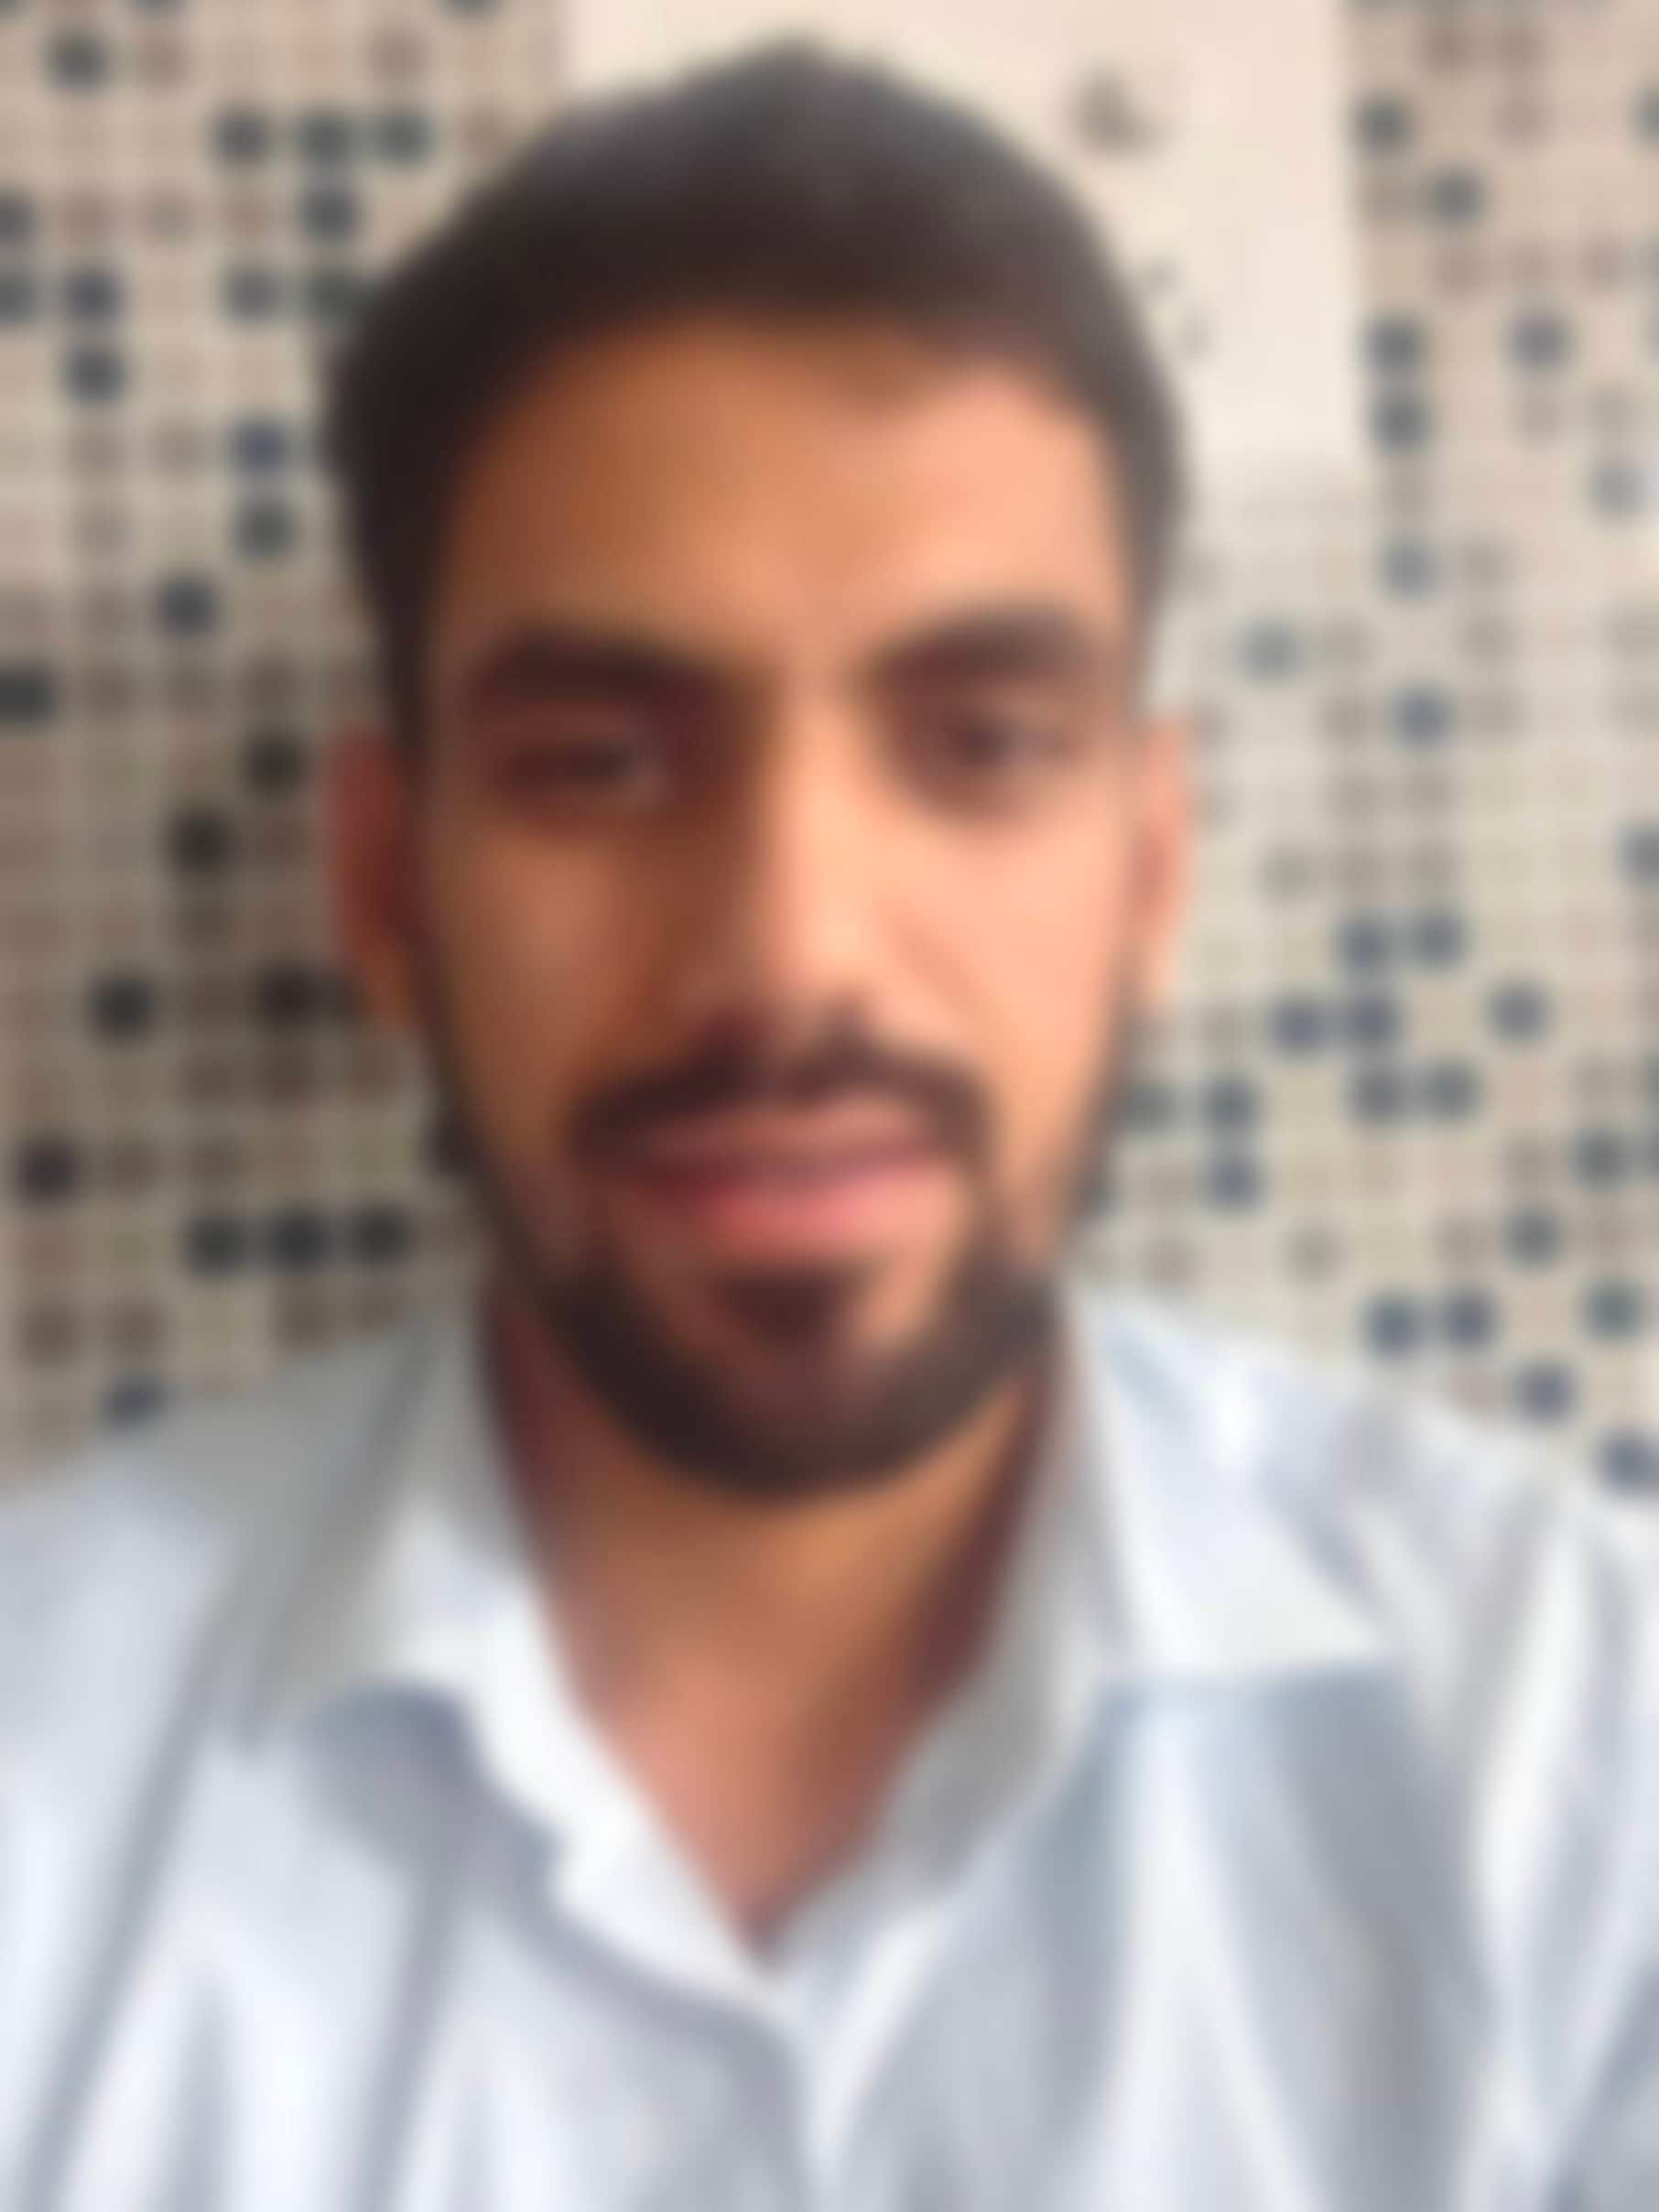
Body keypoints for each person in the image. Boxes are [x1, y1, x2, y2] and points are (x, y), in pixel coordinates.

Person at [3, 39, 1657, 2211]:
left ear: (1152, 873)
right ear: (386, 885)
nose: (790, 954)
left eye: (980, 742)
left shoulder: (1580, 1764)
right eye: (599, 761)